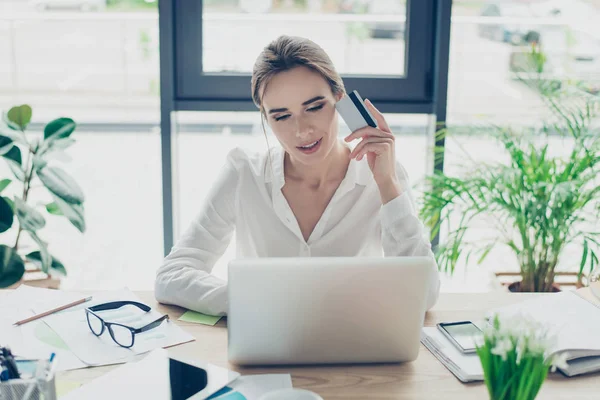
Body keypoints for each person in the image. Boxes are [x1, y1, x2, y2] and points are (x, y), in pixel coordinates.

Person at [155, 35, 440, 316]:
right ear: (266, 118)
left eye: (314, 107)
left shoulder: (382, 174)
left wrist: (388, 186)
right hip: (263, 347)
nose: (301, 131)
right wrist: (248, 302)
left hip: (351, 347)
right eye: (281, 116)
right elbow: (172, 275)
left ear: (340, 101)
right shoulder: (244, 174)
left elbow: (424, 294)